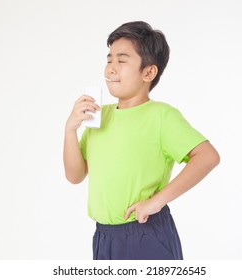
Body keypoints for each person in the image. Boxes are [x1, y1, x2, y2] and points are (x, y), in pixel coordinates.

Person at [63, 21, 220, 260]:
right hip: (103, 236)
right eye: (109, 59)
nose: (110, 69)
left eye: (122, 60)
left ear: (148, 72)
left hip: (146, 234)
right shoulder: (98, 116)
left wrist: (156, 202)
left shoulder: (161, 116)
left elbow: (208, 156)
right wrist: (70, 129)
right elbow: (75, 176)